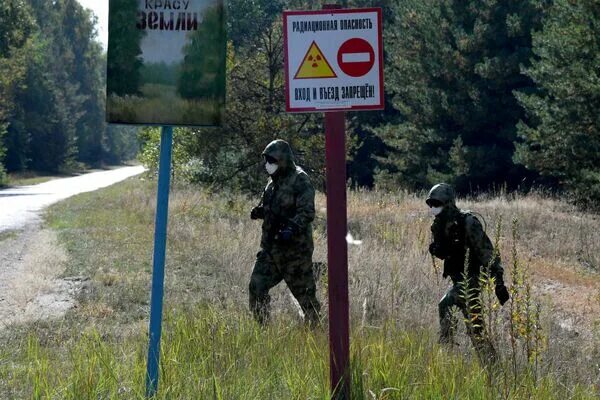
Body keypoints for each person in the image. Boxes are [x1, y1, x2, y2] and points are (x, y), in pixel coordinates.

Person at [427, 183, 510, 359]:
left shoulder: (468, 222)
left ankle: (446, 349)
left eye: (437, 203)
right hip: (459, 279)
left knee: (446, 303)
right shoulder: (439, 225)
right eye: (431, 204)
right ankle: (491, 365)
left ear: (448, 202)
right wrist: (437, 249)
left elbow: (487, 252)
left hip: (474, 278)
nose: (433, 208)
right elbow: (446, 252)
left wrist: (499, 282)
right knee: (476, 329)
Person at [248, 139, 321, 326]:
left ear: (283, 159)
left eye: (272, 160)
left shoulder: (300, 179)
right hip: (271, 250)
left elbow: (307, 212)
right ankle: (262, 329)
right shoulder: (271, 183)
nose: (268, 164)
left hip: (294, 251)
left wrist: (291, 228)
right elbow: (271, 208)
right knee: (257, 286)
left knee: (306, 299)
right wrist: (260, 211)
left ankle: (317, 332)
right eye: (266, 160)